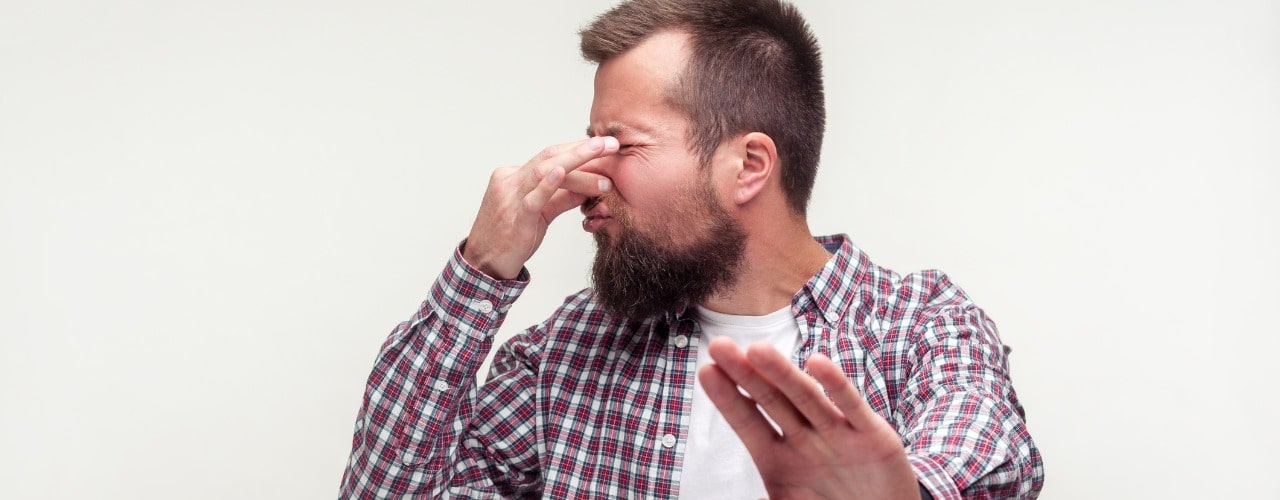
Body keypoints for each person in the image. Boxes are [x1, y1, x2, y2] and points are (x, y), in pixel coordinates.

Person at [339, 0, 1044, 498]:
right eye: (592, 139)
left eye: (623, 143)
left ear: (749, 166)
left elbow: (981, 461)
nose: (588, 171)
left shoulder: (920, 325)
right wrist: (481, 270)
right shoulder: (571, 349)